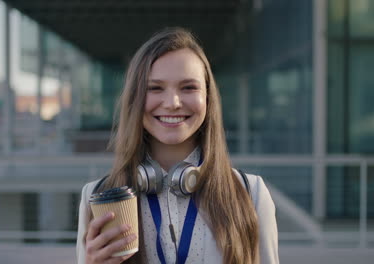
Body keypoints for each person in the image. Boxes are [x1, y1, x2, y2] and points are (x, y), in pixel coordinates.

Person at [76, 27, 279, 264]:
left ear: (208, 97)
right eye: (155, 88)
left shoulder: (250, 192)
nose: (172, 103)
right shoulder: (97, 196)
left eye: (189, 87)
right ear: (135, 98)